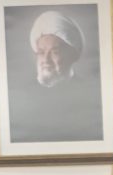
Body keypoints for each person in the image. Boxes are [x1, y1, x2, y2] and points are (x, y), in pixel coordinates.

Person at [7, 10, 102, 143]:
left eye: (55, 52)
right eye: (41, 52)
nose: (46, 60)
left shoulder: (90, 94)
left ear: (72, 54)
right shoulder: (21, 96)